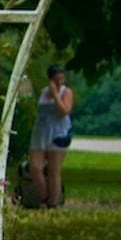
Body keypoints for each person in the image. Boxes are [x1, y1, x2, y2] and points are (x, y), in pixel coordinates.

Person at [28, 68, 76, 209]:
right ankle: (44, 196)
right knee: (35, 167)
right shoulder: (43, 92)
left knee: (53, 170)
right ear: (50, 80)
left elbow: (63, 111)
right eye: (56, 79)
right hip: (41, 132)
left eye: (62, 79)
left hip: (59, 132)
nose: (59, 82)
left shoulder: (66, 92)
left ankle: (53, 202)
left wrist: (55, 94)